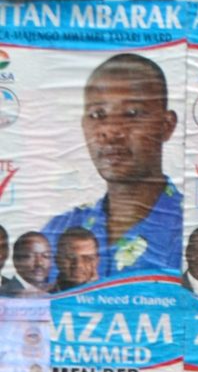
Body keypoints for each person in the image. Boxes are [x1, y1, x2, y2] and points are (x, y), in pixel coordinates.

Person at [35, 52, 183, 284]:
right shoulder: (56, 233)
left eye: (132, 113)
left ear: (166, 126)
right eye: (98, 114)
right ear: (84, 126)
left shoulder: (191, 230)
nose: (111, 130)